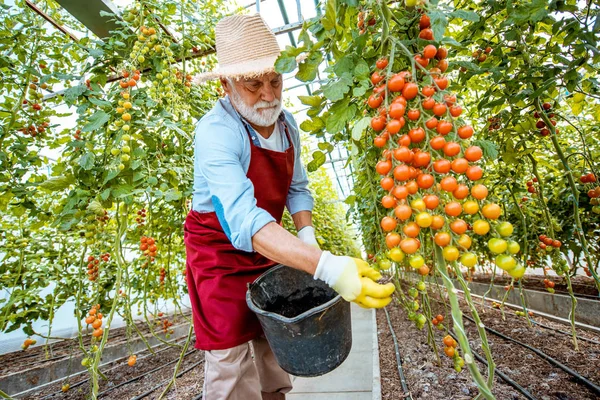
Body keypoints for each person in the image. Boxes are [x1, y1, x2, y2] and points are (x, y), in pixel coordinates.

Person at [187, 13, 395, 400]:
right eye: (253, 84)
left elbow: (297, 188)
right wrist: (328, 266)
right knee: (229, 355)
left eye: (275, 80)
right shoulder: (216, 133)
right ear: (226, 84)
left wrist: (308, 237)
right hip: (219, 255)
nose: (269, 94)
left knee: (273, 338)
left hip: (270, 244)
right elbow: (245, 221)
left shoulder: (287, 125)